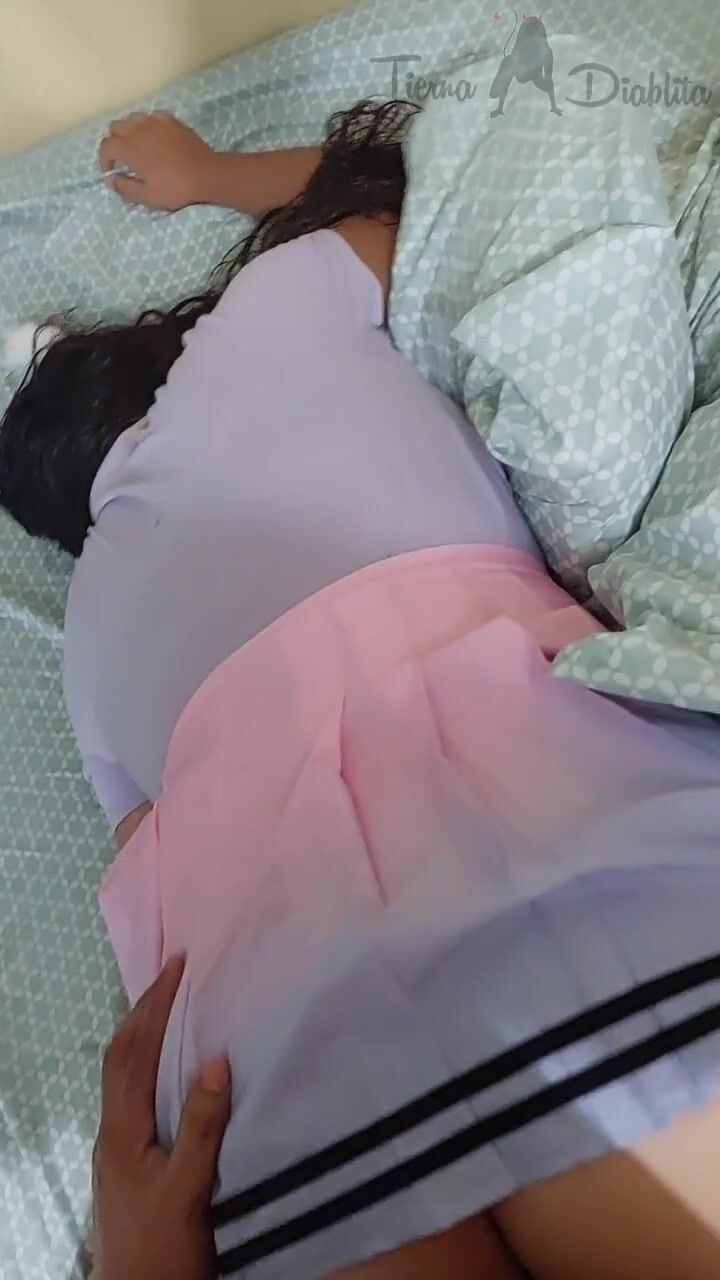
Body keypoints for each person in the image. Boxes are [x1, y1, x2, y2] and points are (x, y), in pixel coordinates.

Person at [3, 105, 720, 1280]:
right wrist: (205, 173)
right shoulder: (254, 326)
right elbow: (411, 194)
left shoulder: (86, 640)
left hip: (267, 1038)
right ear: (152, 356)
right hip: (544, 817)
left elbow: (149, 854)